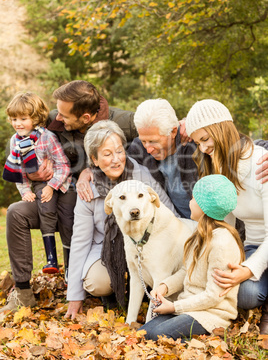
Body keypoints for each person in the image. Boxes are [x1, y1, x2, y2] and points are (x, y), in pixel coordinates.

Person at [0, 80, 136, 314]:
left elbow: (157, 126)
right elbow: (28, 130)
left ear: (85, 117)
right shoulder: (53, 120)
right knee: (16, 213)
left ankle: (85, 284)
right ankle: (22, 291)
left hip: (89, 203)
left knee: (74, 206)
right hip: (52, 193)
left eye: (63, 114)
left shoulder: (122, 122)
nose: (57, 118)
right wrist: (33, 174)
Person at [65, 120, 183, 320]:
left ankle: (148, 293)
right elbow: (80, 241)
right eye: (107, 154)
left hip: (145, 244)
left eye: (119, 151)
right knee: (96, 282)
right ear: (94, 159)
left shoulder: (142, 178)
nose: (116, 160)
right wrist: (74, 296)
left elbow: (169, 213)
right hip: (106, 246)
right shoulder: (88, 189)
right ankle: (114, 291)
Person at [185, 99, 268, 334]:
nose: (202, 149)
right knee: (244, 295)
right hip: (254, 245)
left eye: (205, 139)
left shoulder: (261, 164)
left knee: (248, 285)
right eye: (197, 142)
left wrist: (248, 270)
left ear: (222, 130)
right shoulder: (219, 167)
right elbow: (224, 223)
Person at [139, 174, 245, 341]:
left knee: (156, 336)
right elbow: (186, 271)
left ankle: (206, 342)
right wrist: (165, 287)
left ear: (205, 207)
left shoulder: (222, 242)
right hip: (188, 307)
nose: (190, 202)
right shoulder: (199, 235)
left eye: (194, 199)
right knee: (143, 334)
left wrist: (174, 306)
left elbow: (213, 295)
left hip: (211, 314)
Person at [128, 99, 268, 219]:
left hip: (214, 223)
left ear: (173, 131)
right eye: (144, 141)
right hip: (177, 227)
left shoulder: (194, 141)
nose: (148, 149)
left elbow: (235, 142)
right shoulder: (138, 149)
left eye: (153, 141)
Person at [3, 92, 72, 275]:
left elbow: (64, 165)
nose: (18, 123)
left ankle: (70, 268)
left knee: (67, 218)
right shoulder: (15, 141)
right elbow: (18, 170)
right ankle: (51, 259)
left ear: (35, 118)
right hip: (41, 184)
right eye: (14, 119)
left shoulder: (46, 137)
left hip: (62, 183)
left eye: (23, 118)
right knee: (45, 207)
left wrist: (52, 185)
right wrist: (25, 190)